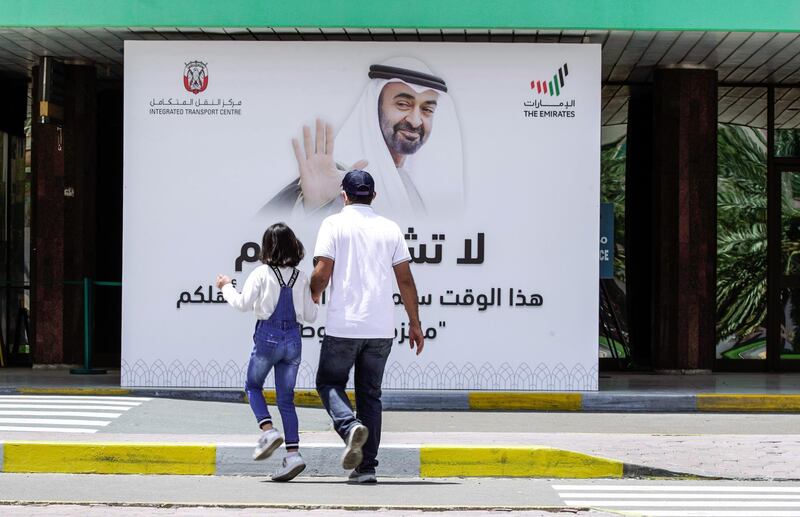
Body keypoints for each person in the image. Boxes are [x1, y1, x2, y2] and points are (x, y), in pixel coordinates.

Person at [310, 169, 424, 484]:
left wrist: (313, 296)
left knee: (329, 384)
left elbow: (322, 272)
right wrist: (415, 324)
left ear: (343, 195)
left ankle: (348, 426)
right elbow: (405, 280)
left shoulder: (332, 224)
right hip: (381, 329)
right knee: (370, 395)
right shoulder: (390, 228)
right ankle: (367, 467)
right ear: (374, 196)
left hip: (344, 327)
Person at [262, 57, 463, 217]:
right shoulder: (336, 174)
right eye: (403, 104)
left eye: (427, 109)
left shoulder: (411, 183)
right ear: (374, 107)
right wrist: (315, 206)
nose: (416, 121)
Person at [216, 222, 318, 482]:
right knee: (286, 399)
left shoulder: (261, 274)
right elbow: (311, 316)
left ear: (267, 246)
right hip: (294, 339)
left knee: (252, 385)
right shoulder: (301, 276)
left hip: (267, 338)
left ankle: (268, 429)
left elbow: (241, 304)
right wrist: (315, 297)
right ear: (294, 245)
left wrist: (226, 286)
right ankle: (293, 455)